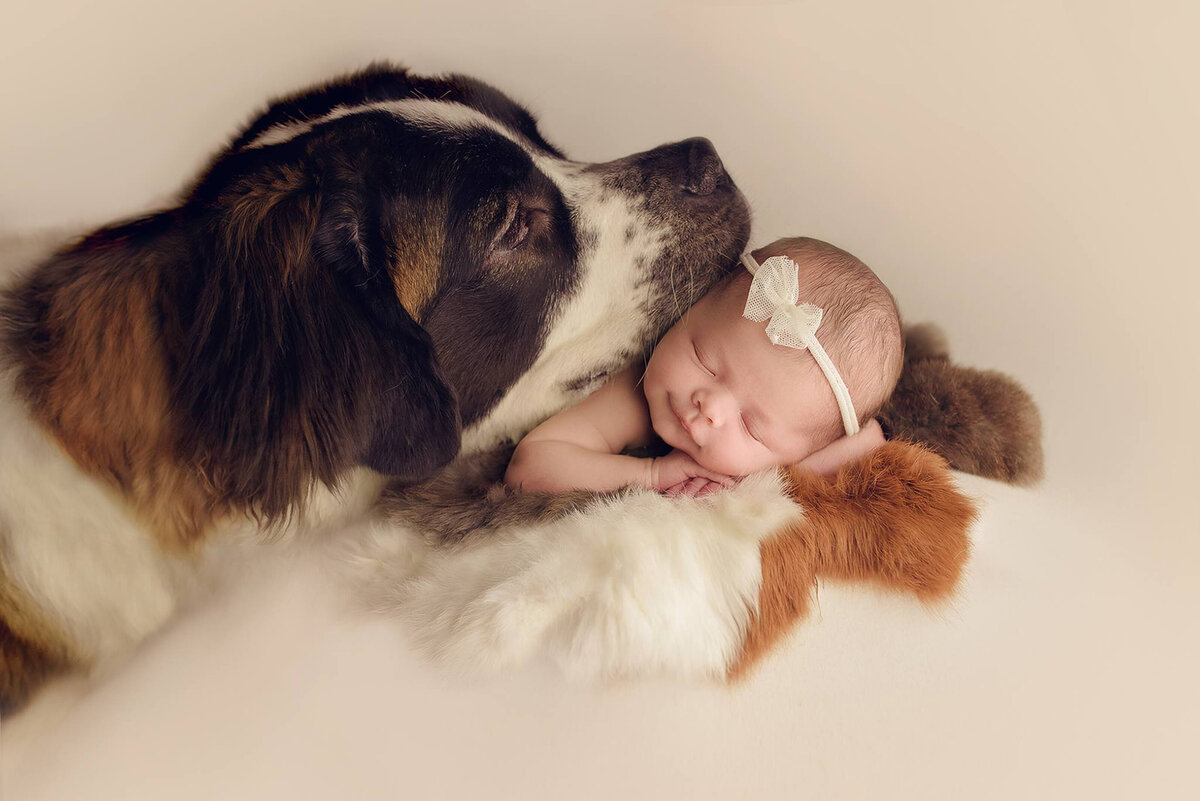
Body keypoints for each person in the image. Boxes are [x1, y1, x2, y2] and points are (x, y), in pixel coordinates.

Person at [504, 237, 903, 496]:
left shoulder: (794, 437)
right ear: (691, 308)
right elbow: (532, 467)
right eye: (705, 361)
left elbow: (866, 442)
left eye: (751, 426)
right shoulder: (637, 392)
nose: (709, 406)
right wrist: (651, 476)